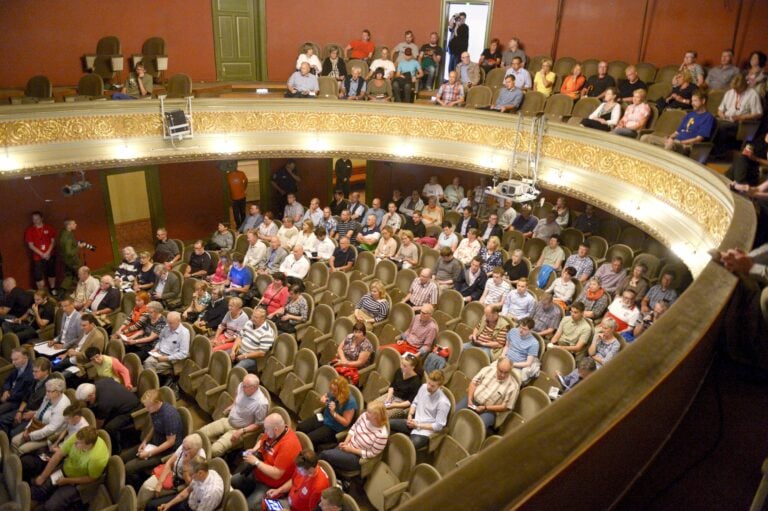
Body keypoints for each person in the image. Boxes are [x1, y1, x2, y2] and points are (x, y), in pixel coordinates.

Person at [232, 413, 302, 509]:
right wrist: (254, 449)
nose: (265, 431)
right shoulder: (274, 431)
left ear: (275, 430)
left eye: (266, 429)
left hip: (270, 484)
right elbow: (261, 441)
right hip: (257, 473)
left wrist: (257, 462)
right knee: (233, 482)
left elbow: (276, 474)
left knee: (249, 507)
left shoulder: (289, 446)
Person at [30, 426, 109, 511]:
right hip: (67, 468)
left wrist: (67, 480)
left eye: (78, 443)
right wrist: (43, 477)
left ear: (88, 445)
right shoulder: (78, 437)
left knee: (51, 506)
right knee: (40, 488)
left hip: (79, 483)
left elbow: (92, 478)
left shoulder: (97, 458)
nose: (74, 443)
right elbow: (58, 455)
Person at [123, 389, 184, 488]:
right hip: (154, 443)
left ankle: (138, 487)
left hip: (165, 451)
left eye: (148, 406)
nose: (146, 409)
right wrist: (145, 441)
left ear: (156, 403)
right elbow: (155, 427)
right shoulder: (154, 410)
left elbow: (170, 442)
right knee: (123, 457)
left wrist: (149, 453)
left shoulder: (169, 416)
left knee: (129, 468)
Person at [198, 374, 268, 457]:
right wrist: (233, 405)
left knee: (214, 450)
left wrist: (242, 431)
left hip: (238, 430)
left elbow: (259, 425)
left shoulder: (261, 404)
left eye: (245, 386)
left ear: (254, 388)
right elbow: (237, 395)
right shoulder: (242, 386)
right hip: (228, 420)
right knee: (200, 434)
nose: (242, 387)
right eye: (243, 384)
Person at [137, 433, 206, 511]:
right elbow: (169, 463)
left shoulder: (200, 460)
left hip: (181, 484)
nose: (183, 450)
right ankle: (138, 508)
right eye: (183, 447)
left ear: (196, 450)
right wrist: (160, 483)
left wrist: (185, 466)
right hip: (172, 473)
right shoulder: (185, 445)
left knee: (150, 499)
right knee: (146, 486)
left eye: (187, 449)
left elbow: (190, 485)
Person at [75, 378, 141, 454]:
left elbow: (99, 424)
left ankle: (116, 449)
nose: (87, 402)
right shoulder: (101, 381)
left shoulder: (103, 403)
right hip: (124, 401)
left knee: (109, 428)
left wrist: (91, 433)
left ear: (91, 395)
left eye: (87, 400)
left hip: (132, 409)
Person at [319, 401, 389, 472]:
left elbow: (372, 454)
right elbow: (353, 428)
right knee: (325, 455)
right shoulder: (364, 416)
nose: (366, 413)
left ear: (376, 416)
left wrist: (351, 450)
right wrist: (345, 442)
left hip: (357, 457)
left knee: (325, 455)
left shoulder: (382, 435)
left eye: (369, 412)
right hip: (348, 446)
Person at [389, 369, 450, 449]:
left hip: (425, 431)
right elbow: (415, 403)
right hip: (413, 422)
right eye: (429, 383)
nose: (429, 387)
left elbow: (438, 426)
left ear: (439, 386)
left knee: (407, 448)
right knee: (388, 423)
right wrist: (410, 415)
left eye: (432, 386)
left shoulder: (443, 403)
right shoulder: (424, 387)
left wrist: (418, 425)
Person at [642, 91, 715, 156]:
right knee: (646, 137)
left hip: (686, 145)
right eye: (692, 101)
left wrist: (680, 142)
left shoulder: (708, 117)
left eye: (695, 101)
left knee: (670, 144)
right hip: (675, 141)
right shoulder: (690, 115)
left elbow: (698, 139)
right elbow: (677, 132)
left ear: (703, 101)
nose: (692, 103)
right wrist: (670, 137)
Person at [456, 358, 518, 434]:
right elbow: (473, 383)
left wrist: (485, 408)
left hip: (490, 411)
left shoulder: (512, 386)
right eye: (500, 371)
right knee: (456, 412)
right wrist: (469, 399)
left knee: (478, 427)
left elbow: (504, 407)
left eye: (506, 372)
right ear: (497, 367)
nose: (502, 375)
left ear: (510, 371)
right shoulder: (487, 370)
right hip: (473, 400)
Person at [12, 377, 69, 455]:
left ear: (58, 392)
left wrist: (31, 436)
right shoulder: (49, 396)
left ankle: (15, 465)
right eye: (46, 390)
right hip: (37, 426)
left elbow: (51, 429)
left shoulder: (62, 406)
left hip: (49, 436)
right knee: (14, 441)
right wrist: (27, 429)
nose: (46, 393)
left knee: (22, 449)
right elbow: (38, 413)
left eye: (49, 391)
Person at [297, 376, 356, 450]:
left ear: (341, 392)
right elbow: (326, 395)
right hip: (324, 417)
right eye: (331, 389)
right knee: (301, 427)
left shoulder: (350, 402)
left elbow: (346, 422)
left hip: (333, 427)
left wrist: (333, 413)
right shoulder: (332, 392)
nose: (331, 392)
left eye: (334, 391)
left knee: (310, 438)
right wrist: (323, 398)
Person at [265, 450, 330, 511]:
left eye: (300, 470)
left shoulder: (319, 487)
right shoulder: (302, 467)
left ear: (311, 469)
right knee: (264, 503)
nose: (298, 472)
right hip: (288, 502)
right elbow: (293, 481)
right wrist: (278, 490)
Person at [0, 357, 50, 436]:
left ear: (46, 371)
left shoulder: (50, 387)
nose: (33, 373)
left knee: (13, 433)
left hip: (35, 415)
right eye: (33, 371)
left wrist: (33, 414)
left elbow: (49, 409)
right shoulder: (34, 379)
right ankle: (5, 442)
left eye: (36, 371)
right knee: (2, 420)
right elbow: (26, 397)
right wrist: (19, 411)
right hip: (25, 409)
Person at [716, 74, 764, 147]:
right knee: (712, 123)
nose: (736, 91)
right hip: (726, 119)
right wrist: (722, 116)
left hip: (740, 123)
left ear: (744, 86)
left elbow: (758, 113)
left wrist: (741, 117)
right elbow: (720, 110)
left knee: (721, 127)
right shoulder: (730, 92)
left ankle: (719, 151)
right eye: (735, 89)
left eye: (738, 89)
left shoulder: (752, 94)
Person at [53, 313, 105, 379]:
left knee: (61, 376)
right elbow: (76, 345)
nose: (81, 328)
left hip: (81, 364)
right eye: (81, 325)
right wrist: (65, 354)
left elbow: (94, 358)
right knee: (51, 364)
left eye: (84, 325)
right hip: (71, 357)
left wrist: (76, 353)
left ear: (92, 324)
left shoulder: (98, 337)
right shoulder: (83, 331)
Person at [143, 311, 191, 378]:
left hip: (171, 358)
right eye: (168, 322)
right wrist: (156, 348)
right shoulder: (167, 326)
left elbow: (184, 353)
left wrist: (167, 358)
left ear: (178, 321)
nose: (168, 325)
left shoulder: (184, 333)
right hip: (159, 353)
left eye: (171, 323)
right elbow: (160, 340)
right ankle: (152, 383)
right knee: (147, 362)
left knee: (152, 367)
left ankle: (152, 385)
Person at [375, 353, 423, 419]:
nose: (401, 367)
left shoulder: (416, 382)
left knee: (382, 416)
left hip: (402, 403)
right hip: (392, 396)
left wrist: (394, 405)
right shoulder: (399, 371)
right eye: (402, 364)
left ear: (413, 367)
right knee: (373, 406)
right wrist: (389, 397)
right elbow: (392, 386)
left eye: (405, 366)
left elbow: (410, 401)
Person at [0, 348, 34, 423]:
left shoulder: (31, 374)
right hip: (9, 393)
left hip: (16, 401)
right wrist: (6, 390)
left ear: (25, 357)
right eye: (12, 360)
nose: (13, 362)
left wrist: (7, 397)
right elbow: (8, 380)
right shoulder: (19, 366)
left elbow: (25, 395)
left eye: (16, 359)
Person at [25, 211, 57, 292]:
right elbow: (31, 245)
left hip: (49, 255)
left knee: (51, 272)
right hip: (37, 257)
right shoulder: (30, 230)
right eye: (33, 219)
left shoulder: (49, 228)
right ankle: (42, 292)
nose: (35, 220)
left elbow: (53, 241)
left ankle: (52, 288)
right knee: (38, 275)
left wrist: (48, 252)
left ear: (42, 218)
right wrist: (42, 254)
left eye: (37, 218)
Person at [503, 317, 541, 383]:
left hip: (517, 367)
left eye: (524, 329)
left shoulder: (534, 343)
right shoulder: (513, 331)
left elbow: (528, 363)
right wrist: (502, 356)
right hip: (505, 360)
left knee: (506, 382)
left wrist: (512, 364)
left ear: (531, 330)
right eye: (520, 327)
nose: (520, 330)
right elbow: (506, 346)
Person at [56, 219, 83, 292]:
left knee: (69, 276)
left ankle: (61, 293)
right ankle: (85, 290)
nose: (76, 225)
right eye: (74, 224)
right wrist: (78, 247)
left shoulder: (64, 233)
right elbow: (69, 252)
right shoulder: (67, 237)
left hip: (66, 260)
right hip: (72, 261)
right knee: (82, 274)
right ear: (69, 225)